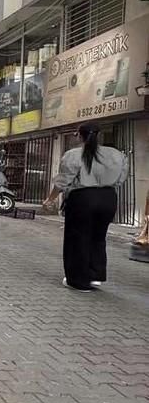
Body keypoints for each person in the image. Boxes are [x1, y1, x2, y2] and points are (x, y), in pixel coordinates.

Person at [43, 124, 129, 290]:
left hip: (83, 199)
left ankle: (79, 281)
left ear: (79, 136)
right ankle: (95, 275)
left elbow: (63, 180)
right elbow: (121, 178)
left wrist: (50, 199)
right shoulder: (117, 154)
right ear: (100, 135)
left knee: (78, 239)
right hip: (108, 197)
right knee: (98, 237)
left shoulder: (74, 155)